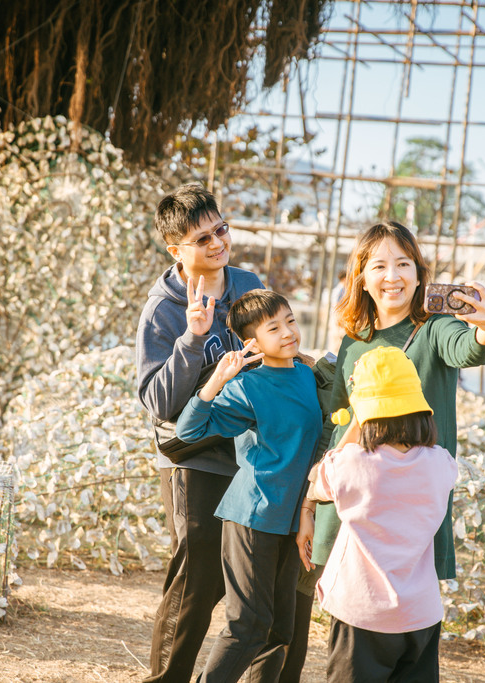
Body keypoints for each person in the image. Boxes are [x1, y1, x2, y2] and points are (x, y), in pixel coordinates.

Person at [284, 221, 485, 679]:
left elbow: (467, 349)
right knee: (344, 619)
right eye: (379, 266)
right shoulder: (354, 340)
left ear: (420, 275)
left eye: (403, 264)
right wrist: (308, 506)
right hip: (351, 498)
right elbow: (338, 426)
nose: (393, 276)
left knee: (393, 626)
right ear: (362, 278)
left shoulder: (435, 328)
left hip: (408, 508)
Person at [136, 184, 265, 683]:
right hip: (191, 456)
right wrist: (193, 338)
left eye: (221, 230)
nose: (217, 243)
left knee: (231, 582)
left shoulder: (247, 284)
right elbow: (158, 401)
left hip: (246, 454)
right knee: (196, 577)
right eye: (202, 239)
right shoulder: (162, 310)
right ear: (176, 250)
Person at [176, 289, 323, 683]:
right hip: (253, 516)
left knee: (279, 631)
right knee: (248, 625)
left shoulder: (307, 375)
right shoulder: (247, 386)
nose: (288, 332)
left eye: (290, 321)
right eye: (274, 328)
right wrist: (217, 381)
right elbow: (189, 431)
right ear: (252, 342)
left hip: (291, 521)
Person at [307, 345, 458, 681]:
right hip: (421, 614)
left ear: (367, 415)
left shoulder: (352, 464)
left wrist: (355, 420)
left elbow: (317, 480)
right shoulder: (440, 463)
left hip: (362, 612)